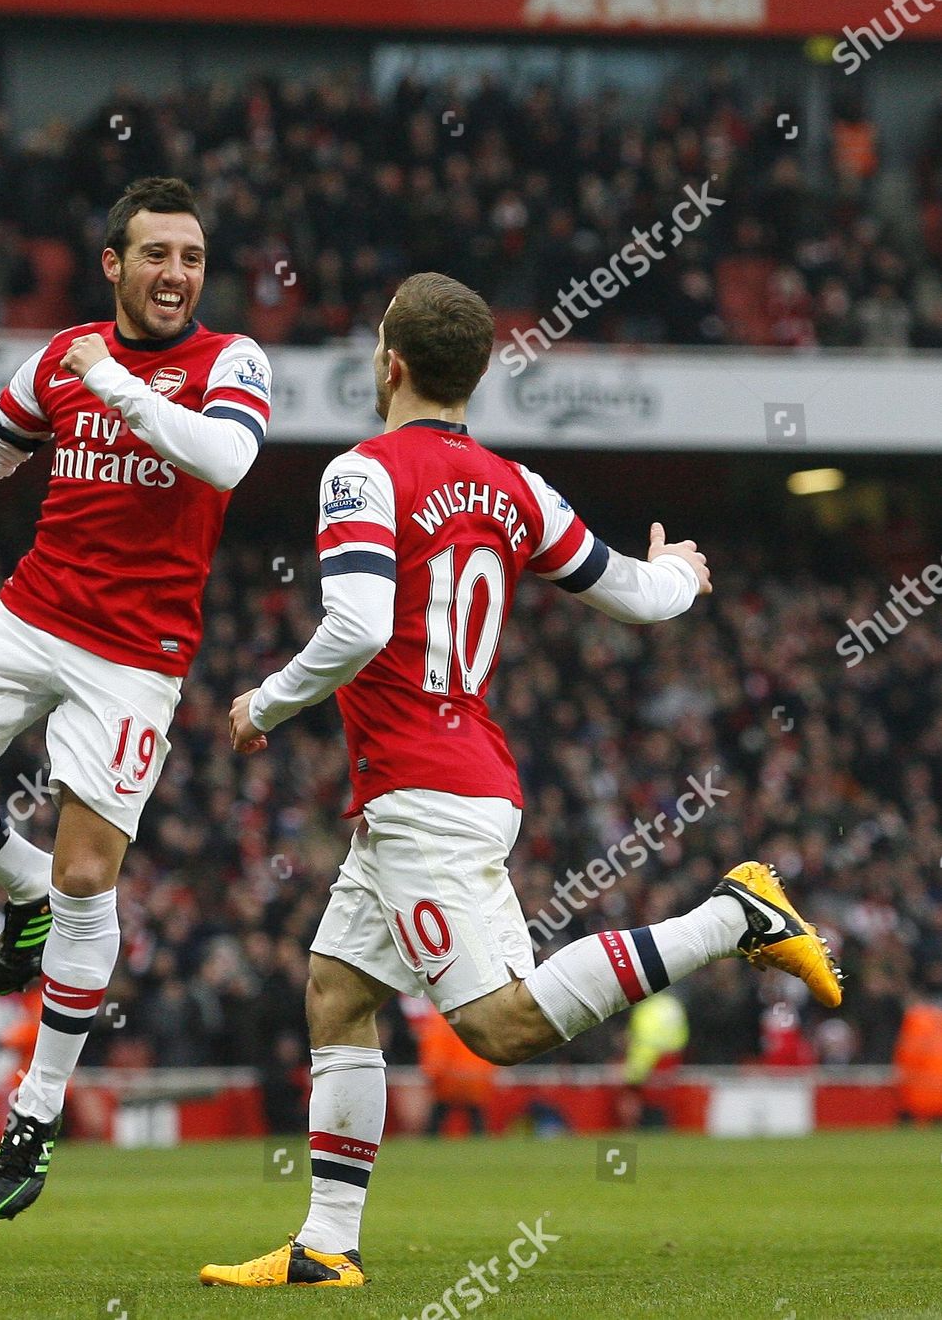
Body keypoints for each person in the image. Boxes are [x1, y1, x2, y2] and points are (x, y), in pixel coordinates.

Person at [200, 270, 841, 1289]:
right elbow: (635, 596)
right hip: (444, 783)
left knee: (496, 1027)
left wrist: (263, 705)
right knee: (335, 992)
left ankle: (735, 916)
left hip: (425, 792)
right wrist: (678, 572)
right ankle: (326, 1247)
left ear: (392, 363)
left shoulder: (361, 474)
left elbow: (361, 626)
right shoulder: (516, 487)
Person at [0, 176, 273, 1219]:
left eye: (192, 258)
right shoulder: (64, 356)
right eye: (157, 255)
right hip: (33, 616)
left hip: (136, 658)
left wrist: (119, 385)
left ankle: (34, 1113)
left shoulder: (232, 362)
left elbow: (224, 458)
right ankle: (19, 882)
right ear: (114, 266)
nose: (178, 274)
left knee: (94, 879)